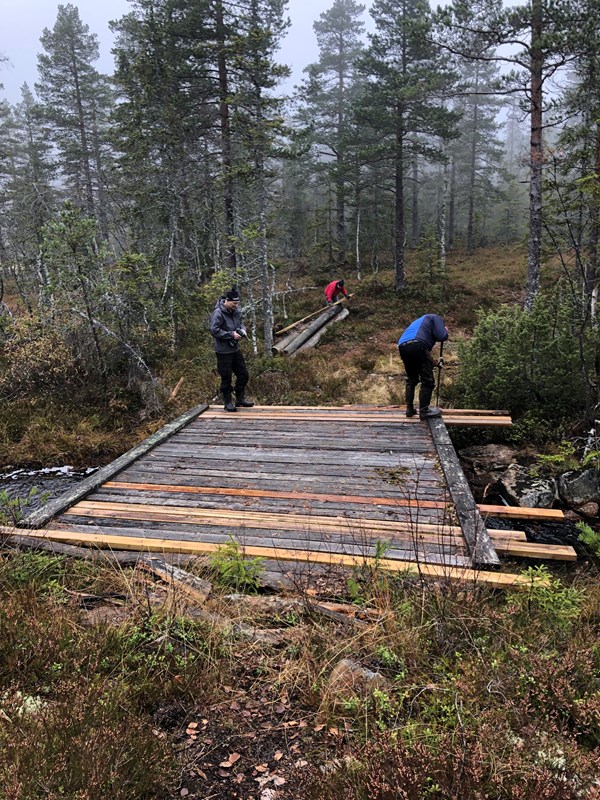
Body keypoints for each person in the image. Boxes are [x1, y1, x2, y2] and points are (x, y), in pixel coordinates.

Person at [209, 287, 254, 412]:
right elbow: (214, 330)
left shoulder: (236, 311)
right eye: (234, 303)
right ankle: (228, 403)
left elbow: (240, 323)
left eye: (237, 303)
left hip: (235, 350)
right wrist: (231, 335)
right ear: (227, 301)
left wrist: (242, 330)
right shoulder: (218, 313)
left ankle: (240, 399)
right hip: (223, 352)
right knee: (226, 377)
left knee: (243, 375)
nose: (236, 306)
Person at [398, 314, 448, 420]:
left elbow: (424, 356)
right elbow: (442, 336)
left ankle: (409, 409)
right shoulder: (435, 317)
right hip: (418, 345)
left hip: (403, 346)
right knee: (428, 381)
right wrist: (445, 330)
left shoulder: (420, 325)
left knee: (412, 379)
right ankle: (424, 411)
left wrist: (436, 363)